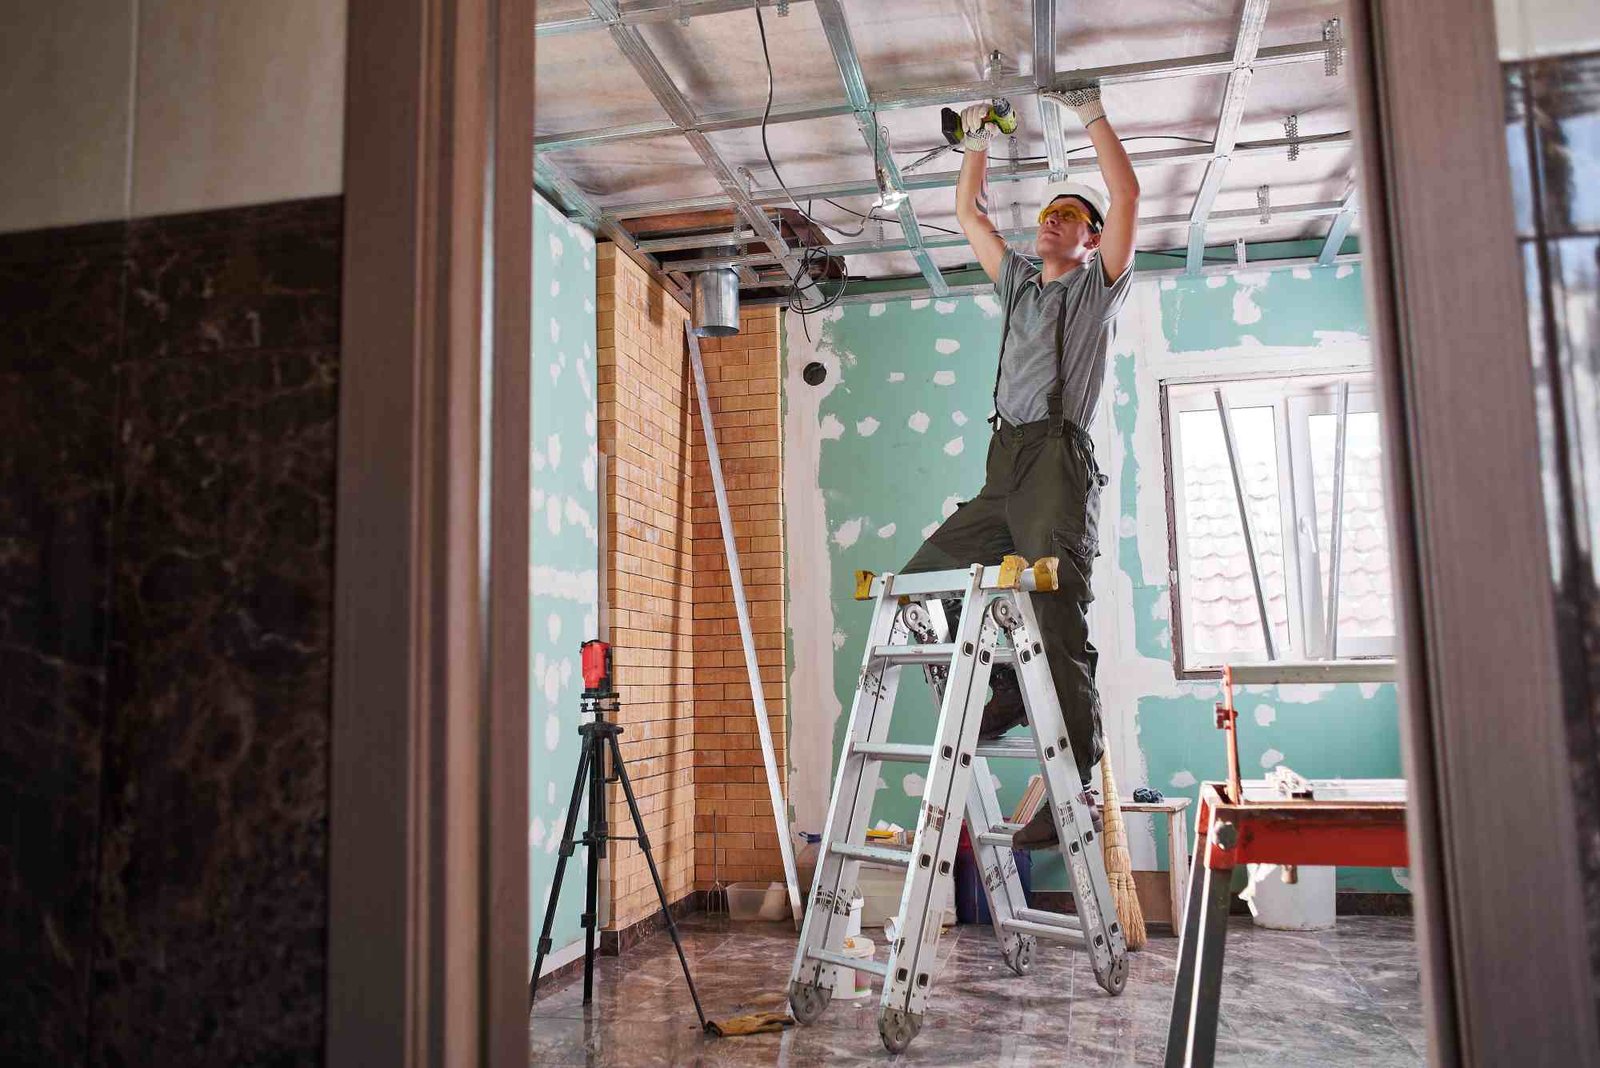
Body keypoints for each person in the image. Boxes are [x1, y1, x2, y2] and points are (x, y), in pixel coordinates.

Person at [898, 85, 1139, 849]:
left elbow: (1128, 192)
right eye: (1045, 215)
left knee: (1055, 610)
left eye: (1065, 215)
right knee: (925, 579)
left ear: (1092, 238)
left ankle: (1074, 793)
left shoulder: (1097, 289)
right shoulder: (1021, 285)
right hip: (1003, 464)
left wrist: (1089, 113)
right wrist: (975, 140)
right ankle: (1000, 692)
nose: (1049, 222)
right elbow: (970, 214)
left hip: (1057, 464)